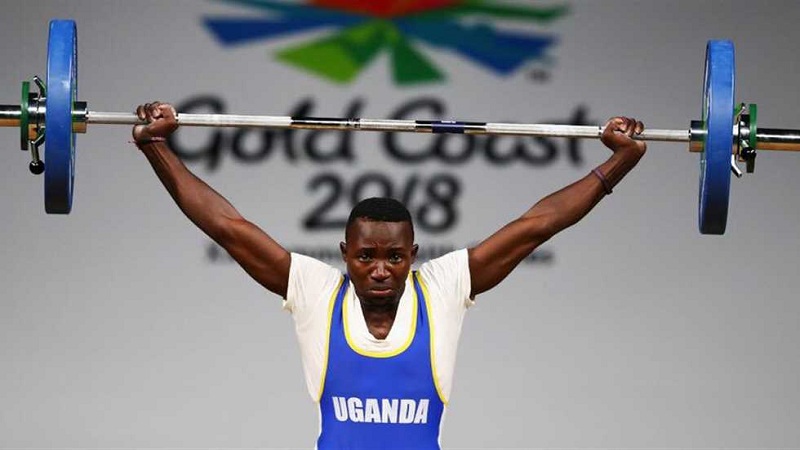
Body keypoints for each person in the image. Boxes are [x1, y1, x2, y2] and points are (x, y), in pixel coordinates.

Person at [132, 102, 646, 449]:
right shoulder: (316, 292)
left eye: (395, 258)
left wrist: (619, 163)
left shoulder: (442, 287)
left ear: (414, 255)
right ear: (345, 254)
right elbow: (226, 227)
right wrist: (156, 147)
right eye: (366, 257)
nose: (380, 270)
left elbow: (538, 224)